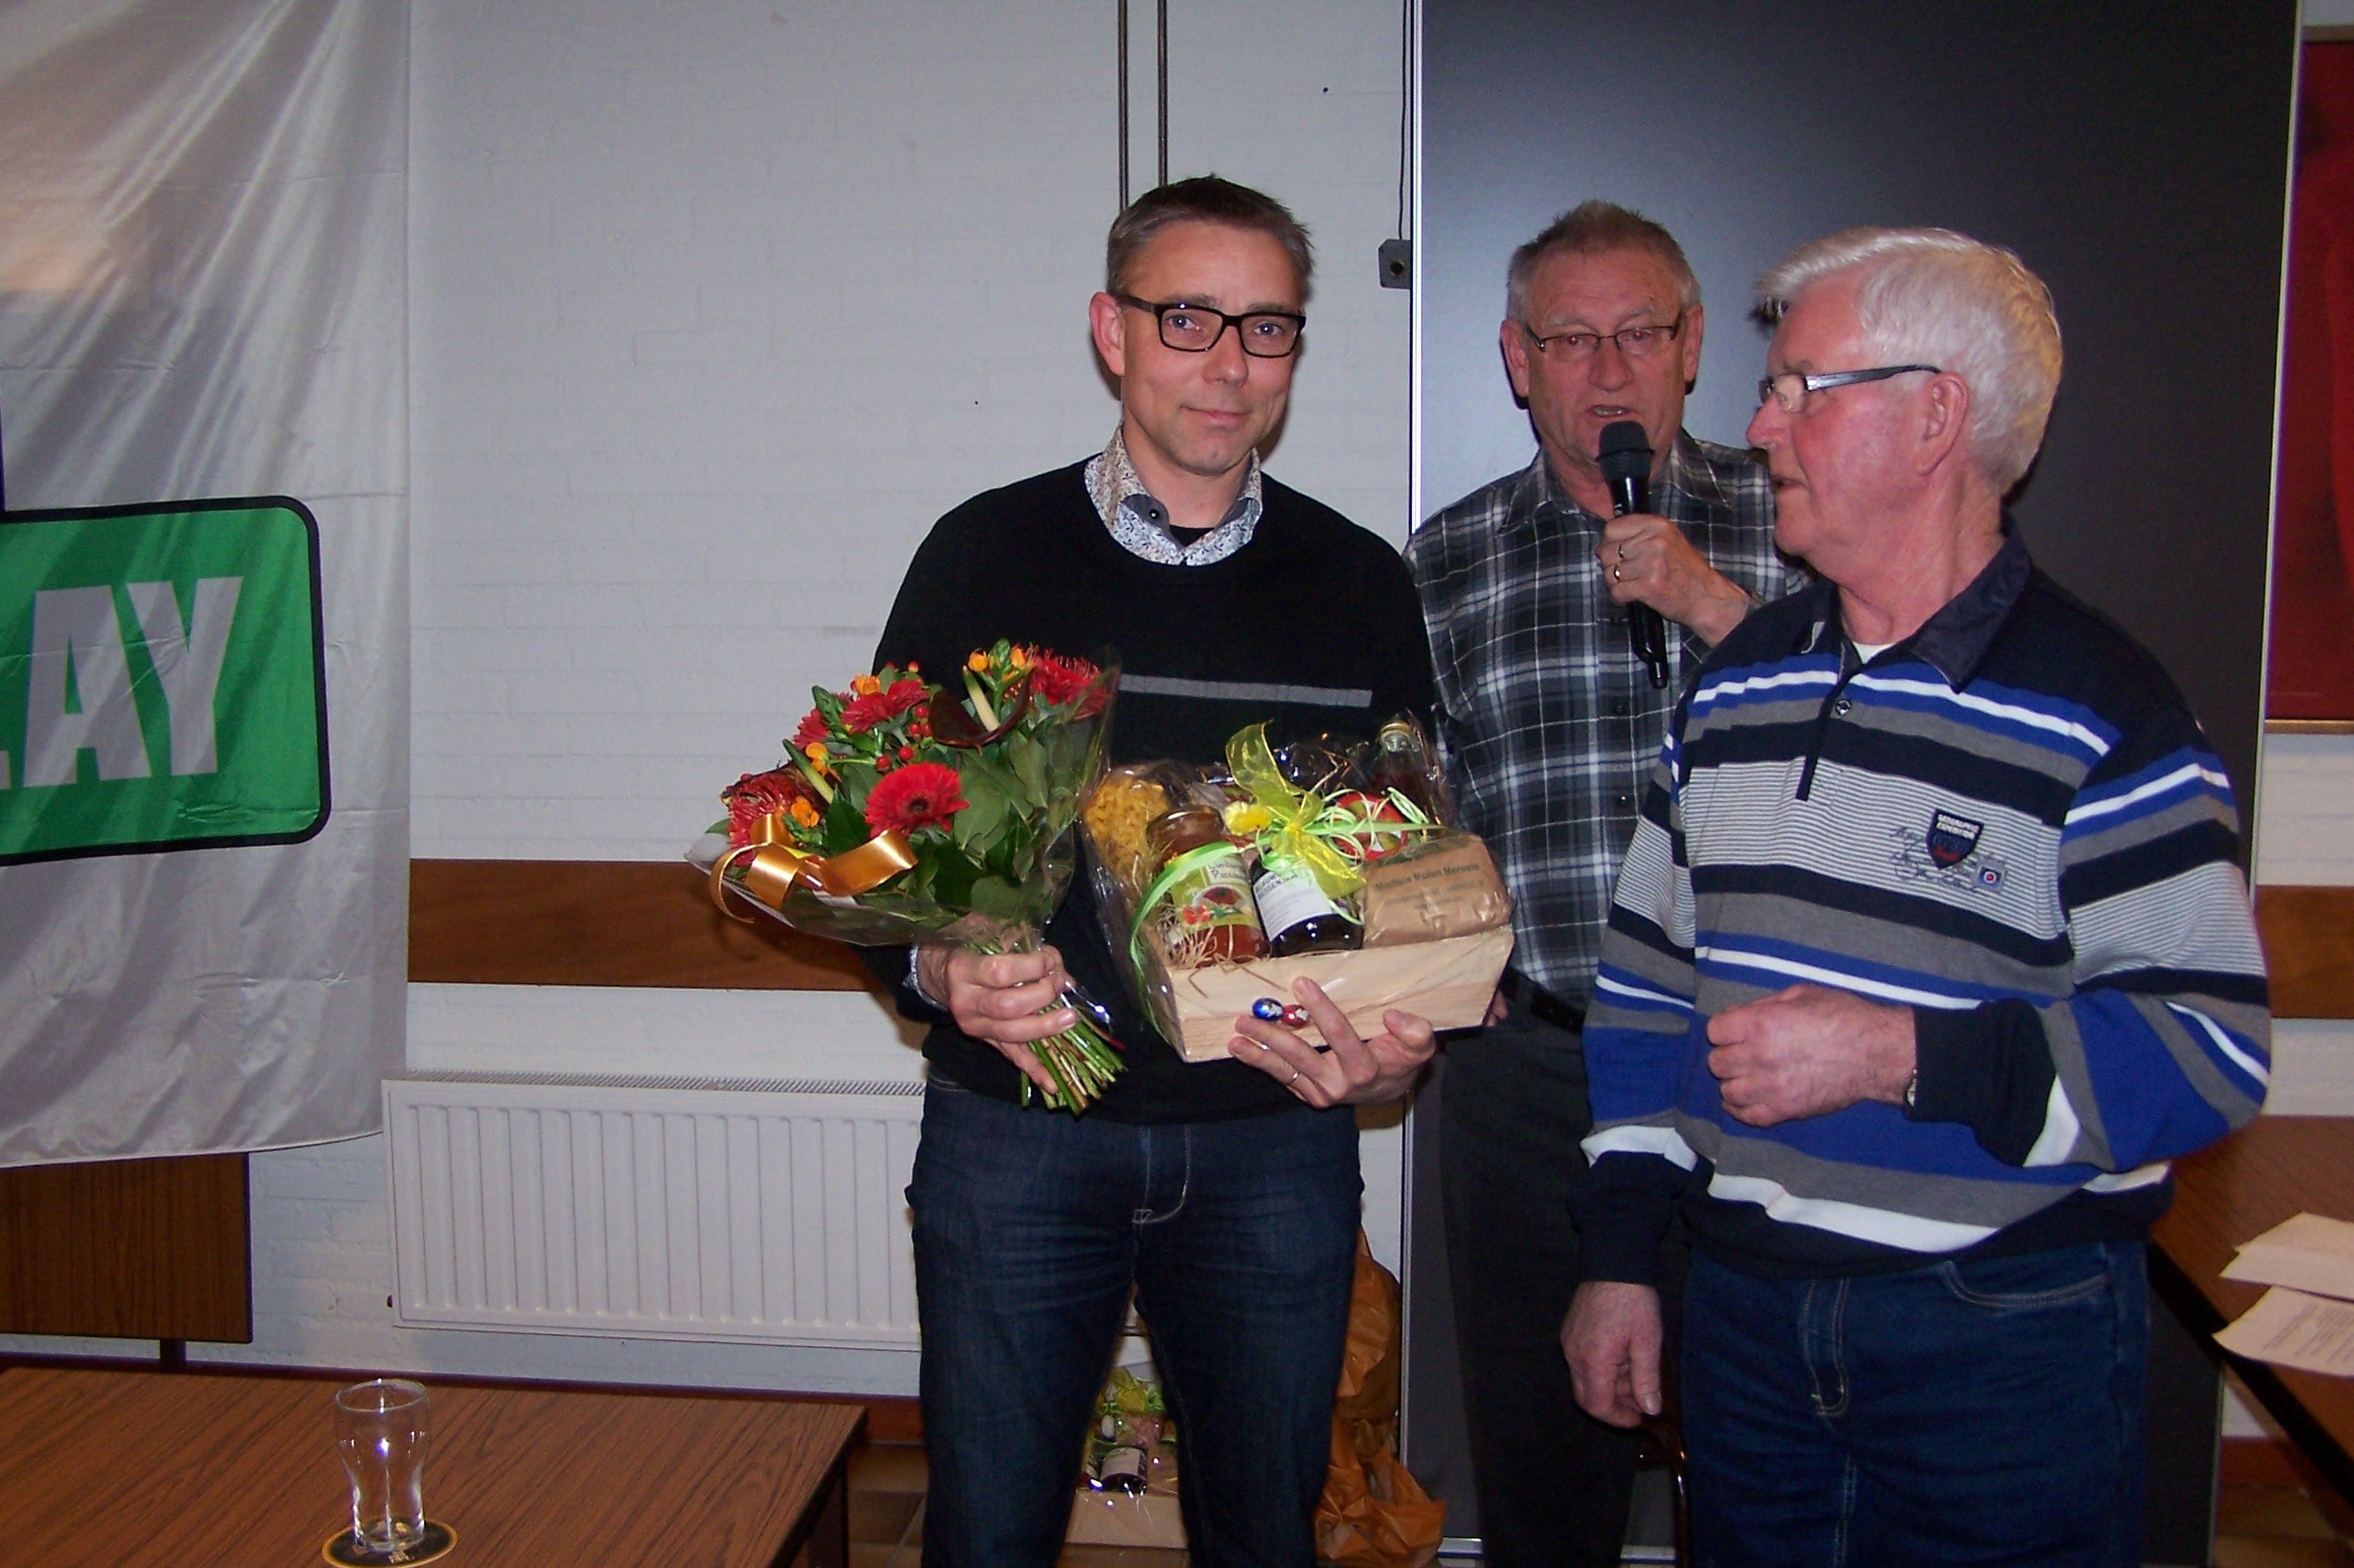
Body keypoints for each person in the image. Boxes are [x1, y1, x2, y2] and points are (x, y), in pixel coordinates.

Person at [1563, 227, 2272, 1566]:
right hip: (1744, 1327)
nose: (1760, 427)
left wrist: (1896, 1055)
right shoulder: (1738, 685)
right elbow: (1646, 989)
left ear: (1938, 415)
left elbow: (2209, 1052)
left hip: (2004, 1338)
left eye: (1802, 389)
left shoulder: (2103, 712)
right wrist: (1618, 1254)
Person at [869, 175, 1439, 1568]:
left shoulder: (1363, 583)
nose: (1229, 362)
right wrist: (934, 969)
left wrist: (1399, 1037)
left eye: (1267, 326)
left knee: (1266, 1538)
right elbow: (875, 839)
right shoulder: (981, 554)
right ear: (1110, 330)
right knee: (986, 1537)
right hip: (1018, 1135)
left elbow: (1410, 874)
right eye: (1188, 318)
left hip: (1272, 1142)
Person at [1405, 201, 1803, 1566]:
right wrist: (1446, 965)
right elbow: (1415, 813)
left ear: (1693, 345)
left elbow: (1897, 745)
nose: (1609, 370)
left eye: (1639, 332)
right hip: (1540, 1074)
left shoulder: (1797, 521)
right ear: (1517, 360)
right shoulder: (1445, 560)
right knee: (1541, 1462)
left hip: (1778, 1061)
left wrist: (1714, 608)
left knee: (1770, 1459)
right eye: (1571, 339)